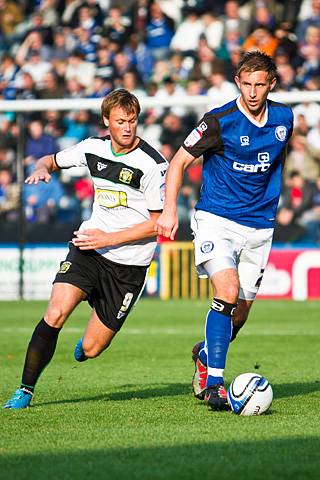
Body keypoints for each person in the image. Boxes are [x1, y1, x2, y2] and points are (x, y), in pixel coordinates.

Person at [3, 89, 168, 409]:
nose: (127, 127)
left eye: (132, 121)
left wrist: (111, 239)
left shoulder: (152, 165)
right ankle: (25, 389)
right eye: (121, 121)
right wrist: (42, 169)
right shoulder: (92, 148)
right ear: (106, 121)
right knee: (55, 312)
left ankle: (88, 342)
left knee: (92, 349)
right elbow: (48, 160)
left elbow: (157, 224)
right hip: (89, 249)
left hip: (128, 266)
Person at [155, 51, 294, 411]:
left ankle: (205, 352)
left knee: (240, 315)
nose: (252, 91)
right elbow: (179, 161)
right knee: (227, 290)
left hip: (260, 226)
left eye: (259, 84)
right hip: (217, 218)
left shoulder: (284, 118)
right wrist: (170, 210)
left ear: (271, 85)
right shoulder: (219, 121)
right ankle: (214, 383)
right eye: (246, 84)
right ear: (237, 82)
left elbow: (275, 162)